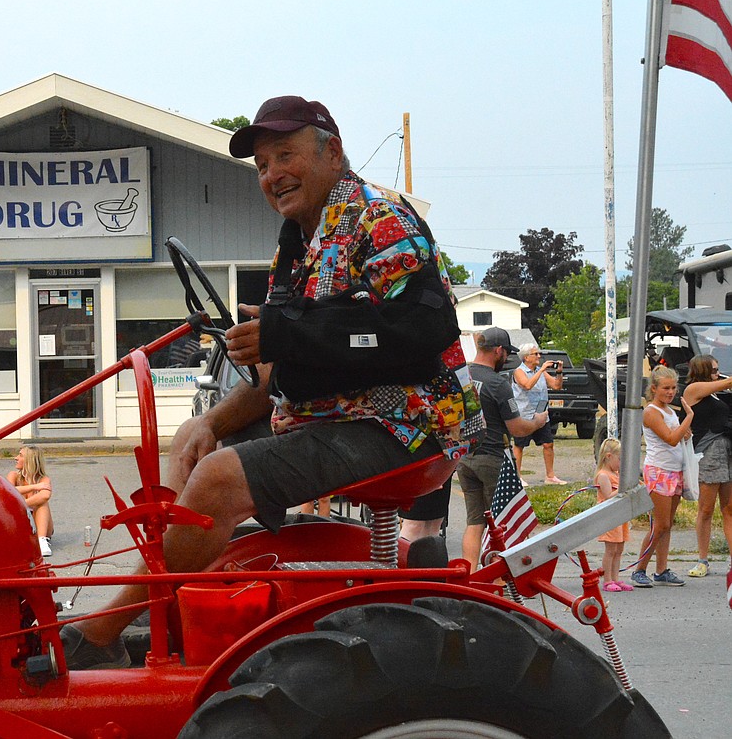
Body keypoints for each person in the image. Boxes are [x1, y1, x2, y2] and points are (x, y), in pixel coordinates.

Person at [61, 94, 483, 669]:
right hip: (336, 414)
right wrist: (209, 420)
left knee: (216, 481)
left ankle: (101, 636)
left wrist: (290, 334)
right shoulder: (295, 243)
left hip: (406, 425)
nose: (273, 174)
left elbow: (423, 327)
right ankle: (178, 613)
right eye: (262, 165)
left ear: (331, 152)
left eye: (285, 154)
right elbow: (273, 374)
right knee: (195, 450)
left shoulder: (381, 220)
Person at [457, 327, 549, 567]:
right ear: (498, 350)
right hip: (492, 457)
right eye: (506, 353)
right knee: (500, 523)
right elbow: (517, 428)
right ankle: (496, 580)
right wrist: (537, 422)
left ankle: (468, 576)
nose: (507, 358)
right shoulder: (497, 383)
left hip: (464, 457)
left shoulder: (460, 375)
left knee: (474, 522)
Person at [630, 366, 694, 588]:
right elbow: (670, 438)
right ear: (654, 389)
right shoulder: (651, 412)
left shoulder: (669, 411)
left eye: (674, 388)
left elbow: (678, 436)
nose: (671, 392)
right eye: (666, 388)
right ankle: (640, 569)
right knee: (660, 524)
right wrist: (689, 418)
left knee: (667, 525)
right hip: (659, 471)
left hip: (673, 469)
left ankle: (661, 569)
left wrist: (685, 431)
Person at [681, 355, 732, 578]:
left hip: (726, 452)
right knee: (706, 509)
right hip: (708, 452)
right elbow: (726, 382)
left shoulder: (714, 393)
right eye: (713, 369)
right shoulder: (693, 389)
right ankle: (702, 559)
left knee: (729, 509)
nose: (717, 373)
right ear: (702, 370)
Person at [511, 343, 566, 485]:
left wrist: (559, 372)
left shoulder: (540, 372)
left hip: (541, 415)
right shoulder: (519, 372)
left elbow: (556, 386)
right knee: (519, 445)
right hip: (524, 415)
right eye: (536, 354)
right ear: (526, 357)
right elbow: (527, 385)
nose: (539, 356)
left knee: (548, 444)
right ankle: (517, 477)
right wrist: (541, 370)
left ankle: (550, 476)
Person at [594, 437, 631, 591]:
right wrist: (623, 487)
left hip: (620, 516)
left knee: (619, 549)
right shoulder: (603, 475)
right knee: (611, 550)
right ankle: (607, 580)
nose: (621, 464)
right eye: (620, 459)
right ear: (609, 456)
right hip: (609, 517)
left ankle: (616, 578)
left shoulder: (616, 474)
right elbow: (608, 495)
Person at [7, 445, 54, 557]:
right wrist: (35, 487)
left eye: (20, 455)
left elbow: (45, 495)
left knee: (42, 503)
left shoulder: (43, 479)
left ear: (29, 460)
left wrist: (20, 504)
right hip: (22, 522)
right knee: (19, 495)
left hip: (41, 525)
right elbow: (9, 491)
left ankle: (42, 540)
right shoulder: (13, 475)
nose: (16, 458)